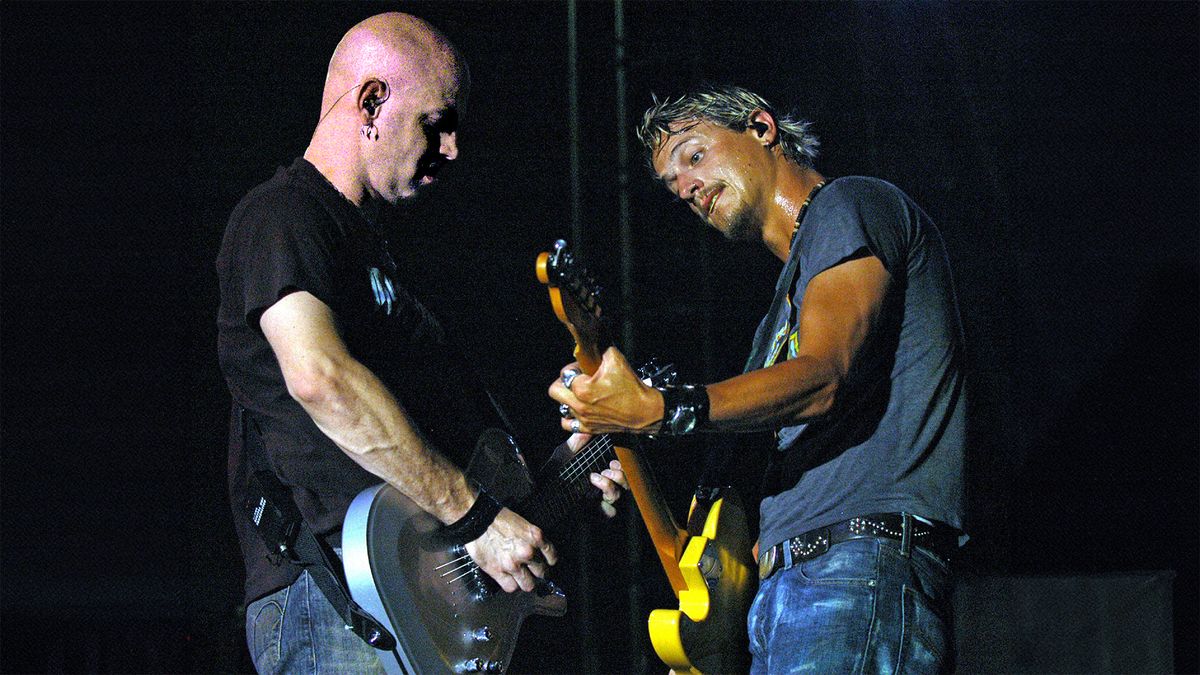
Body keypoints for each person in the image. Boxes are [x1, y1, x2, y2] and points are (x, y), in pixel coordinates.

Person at [216, 13, 625, 673]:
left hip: (415, 615)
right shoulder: (283, 215)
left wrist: (567, 476)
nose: (455, 148)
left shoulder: (380, 262)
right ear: (373, 101)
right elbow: (318, 376)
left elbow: (451, 486)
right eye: (438, 122)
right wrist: (476, 516)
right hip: (341, 606)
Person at [549, 85, 967, 673]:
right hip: (785, 595)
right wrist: (629, 440)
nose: (688, 188)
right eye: (674, 187)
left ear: (762, 128)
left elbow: (824, 378)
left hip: (855, 571)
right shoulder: (776, 318)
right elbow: (731, 495)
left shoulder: (848, 203)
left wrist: (661, 408)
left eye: (694, 156)